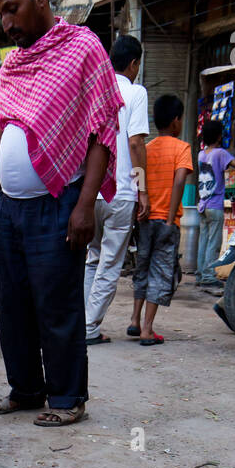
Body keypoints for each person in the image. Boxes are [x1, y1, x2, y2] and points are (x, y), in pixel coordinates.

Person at [0, 0, 122, 427]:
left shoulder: (83, 48)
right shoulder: (11, 67)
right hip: (10, 210)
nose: (6, 22)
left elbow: (101, 132)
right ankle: (26, 390)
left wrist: (85, 204)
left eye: (12, 8)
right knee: (13, 308)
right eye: (1, 14)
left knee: (58, 306)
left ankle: (68, 398)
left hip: (59, 204)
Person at [84, 33, 149, 346]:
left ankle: (80, 323)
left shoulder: (93, 92)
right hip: (121, 192)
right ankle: (88, 328)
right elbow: (136, 142)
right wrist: (143, 190)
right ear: (134, 64)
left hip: (90, 193)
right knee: (109, 263)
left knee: (92, 258)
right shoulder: (135, 93)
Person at [128, 93, 192, 346]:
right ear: (176, 120)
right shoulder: (182, 148)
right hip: (166, 220)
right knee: (161, 272)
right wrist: (169, 218)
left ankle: (134, 320)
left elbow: (137, 176)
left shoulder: (148, 148)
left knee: (141, 268)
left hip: (144, 218)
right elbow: (179, 180)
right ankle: (147, 329)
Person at [196, 118, 235, 290]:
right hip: (215, 204)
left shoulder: (201, 154)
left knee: (203, 240)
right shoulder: (220, 153)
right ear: (218, 136)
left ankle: (201, 273)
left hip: (202, 203)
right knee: (213, 243)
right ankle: (209, 276)